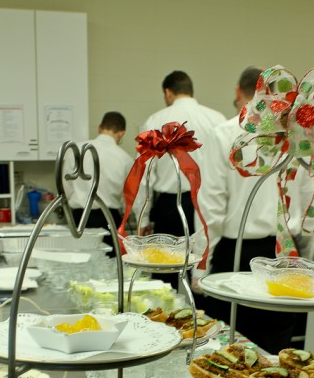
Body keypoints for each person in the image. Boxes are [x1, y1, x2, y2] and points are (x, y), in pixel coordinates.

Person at [192, 66, 313, 354]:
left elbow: (211, 205)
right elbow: (307, 199)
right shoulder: (295, 133)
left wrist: (201, 265)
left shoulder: (224, 133)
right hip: (284, 254)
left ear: (239, 91)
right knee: (276, 353)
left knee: (229, 352)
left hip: (236, 256)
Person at [135, 70, 226, 287]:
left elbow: (144, 175)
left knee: (166, 279)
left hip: (170, 208)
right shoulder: (218, 119)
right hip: (208, 205)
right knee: (205, 277)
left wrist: (142, 218)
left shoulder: (155, 120)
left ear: (168, 92)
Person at [64, 111, 135, 253]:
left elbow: (66, 187)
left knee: (78, 263)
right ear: (121, 133)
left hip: (79, 217)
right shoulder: (126, 159)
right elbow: (131, 196)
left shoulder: (74, 151)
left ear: (100, 127)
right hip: (108, 218)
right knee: (109, 269)